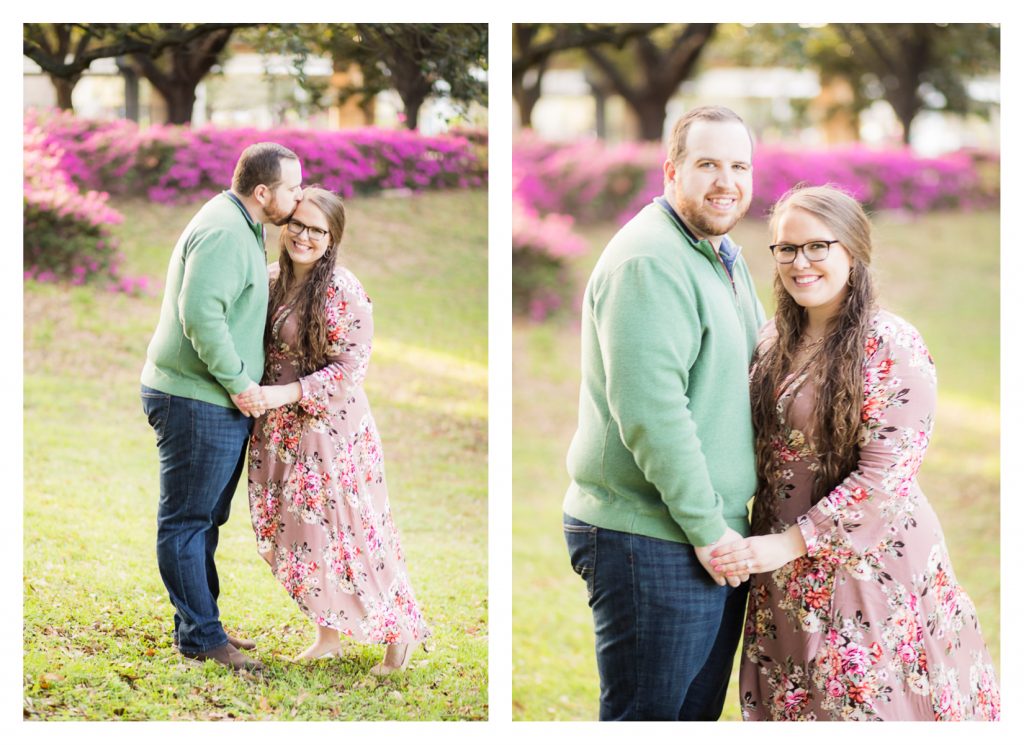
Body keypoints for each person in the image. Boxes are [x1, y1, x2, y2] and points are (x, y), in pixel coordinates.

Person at [710, 185, 1000, 721]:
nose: (801, 263)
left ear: (853, 251)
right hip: (781, 573)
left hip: (870, 568)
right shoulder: (771, 340)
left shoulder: (891, 344)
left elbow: (884, 481)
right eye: (787, 249)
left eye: (819, 246)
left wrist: (790, 544)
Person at [562, 105, 766, 720]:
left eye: (739, 165)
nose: (725, 181)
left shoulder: (719, 252)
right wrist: (708, 531)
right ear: (671, 170)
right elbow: (653, 415)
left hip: (709, 533)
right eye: (708, 164)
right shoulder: (650, 261)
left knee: (691, 719)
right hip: (650, 536)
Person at [243, 186, 430, 674]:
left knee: (354, 533)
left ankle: (401, 634)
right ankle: (329, 635)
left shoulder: (341, 289)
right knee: (302, 534)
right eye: (297, 225)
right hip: (277, 431)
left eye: (317, 230)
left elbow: (350, 368)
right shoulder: (269, 280)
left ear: (333, 238)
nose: (304, 236)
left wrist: (286, 394)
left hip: (329, 431)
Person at [140, 142, 303, 672]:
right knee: (187, 520)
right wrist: (239, 384)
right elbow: (200, 316)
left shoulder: (241, 223)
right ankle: (204, 639)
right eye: (292, 188)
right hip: (195, 397)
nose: (298, 198)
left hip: (209, 396)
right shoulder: (225, 230)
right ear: (263, 192)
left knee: (206, 518)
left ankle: (197, 626)